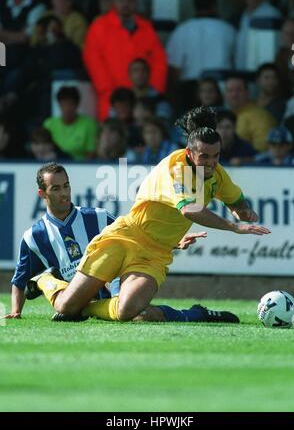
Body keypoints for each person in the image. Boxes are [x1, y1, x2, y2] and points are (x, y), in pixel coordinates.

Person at [25, 107, 270, 324]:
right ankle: (45, 280)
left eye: (216, 156)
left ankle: (86, 310)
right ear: (190, 152)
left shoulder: (217, 174)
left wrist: (242, 210)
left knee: (128, 311)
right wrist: (233, 226)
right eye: (204, 156)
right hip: (125, 237)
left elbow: (236, 199)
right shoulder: (178, 168)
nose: (211, 163)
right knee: (66, 306)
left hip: (156, 253)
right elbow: (189, 209)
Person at [3, 161, 205, 319]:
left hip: (111, 290)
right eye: (55, 189)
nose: (64, 193)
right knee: (136, 315)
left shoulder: (98, 217)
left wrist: (175, 242)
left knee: (138, 314)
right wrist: (16, 311)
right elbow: (19, 280)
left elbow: (136, 236)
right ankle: (195, 315)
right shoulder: (34, 236)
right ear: (42, 194)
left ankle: (195, 315)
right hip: (75, 299)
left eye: (66, 186)